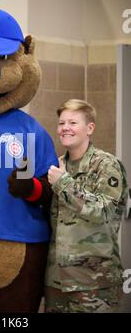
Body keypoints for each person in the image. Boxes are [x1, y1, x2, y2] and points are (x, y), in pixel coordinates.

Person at [45, 99, 128, 313]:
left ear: (90, 128)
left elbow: (104, 212)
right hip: (56, 281)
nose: (65, 128)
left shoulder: (106, 165)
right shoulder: (56, 166)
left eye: (72, 123)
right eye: (62, 123)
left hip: (94, 282)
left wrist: (63, 183)